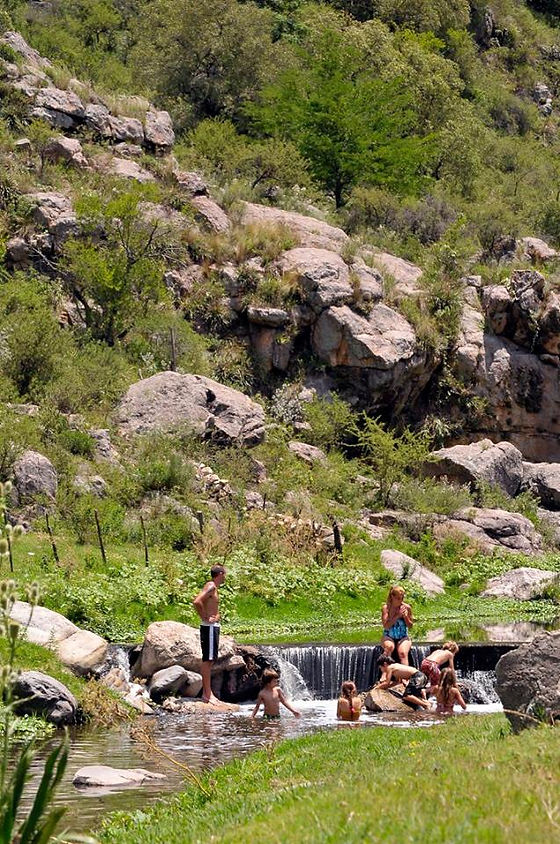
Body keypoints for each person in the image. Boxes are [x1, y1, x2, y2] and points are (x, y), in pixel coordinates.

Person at [193, 564, 227, 704]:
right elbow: (197, 601)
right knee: (208, 660)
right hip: (209, 627)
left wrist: (216, 615)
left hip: (213, 626)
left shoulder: (214, 588)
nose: (226, 576)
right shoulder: (211, 586)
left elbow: (211, 606)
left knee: (210, 659)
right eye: (224, 574)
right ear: (220, 574)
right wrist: (204, 617)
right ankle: (207, 694)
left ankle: (208, 693)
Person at [381, 585, 413, 664]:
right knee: (389, 647)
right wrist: (397, 615)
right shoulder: (386, 608)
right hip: (388, 636)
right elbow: (386, 626)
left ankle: (404, 675)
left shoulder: (407, 608)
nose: (400, 601)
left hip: (403, 637)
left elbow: (410, 626)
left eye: (402, 598)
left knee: (403, 653)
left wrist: (405, 617)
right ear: (392, 596)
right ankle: (386, 673)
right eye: (398, 598)